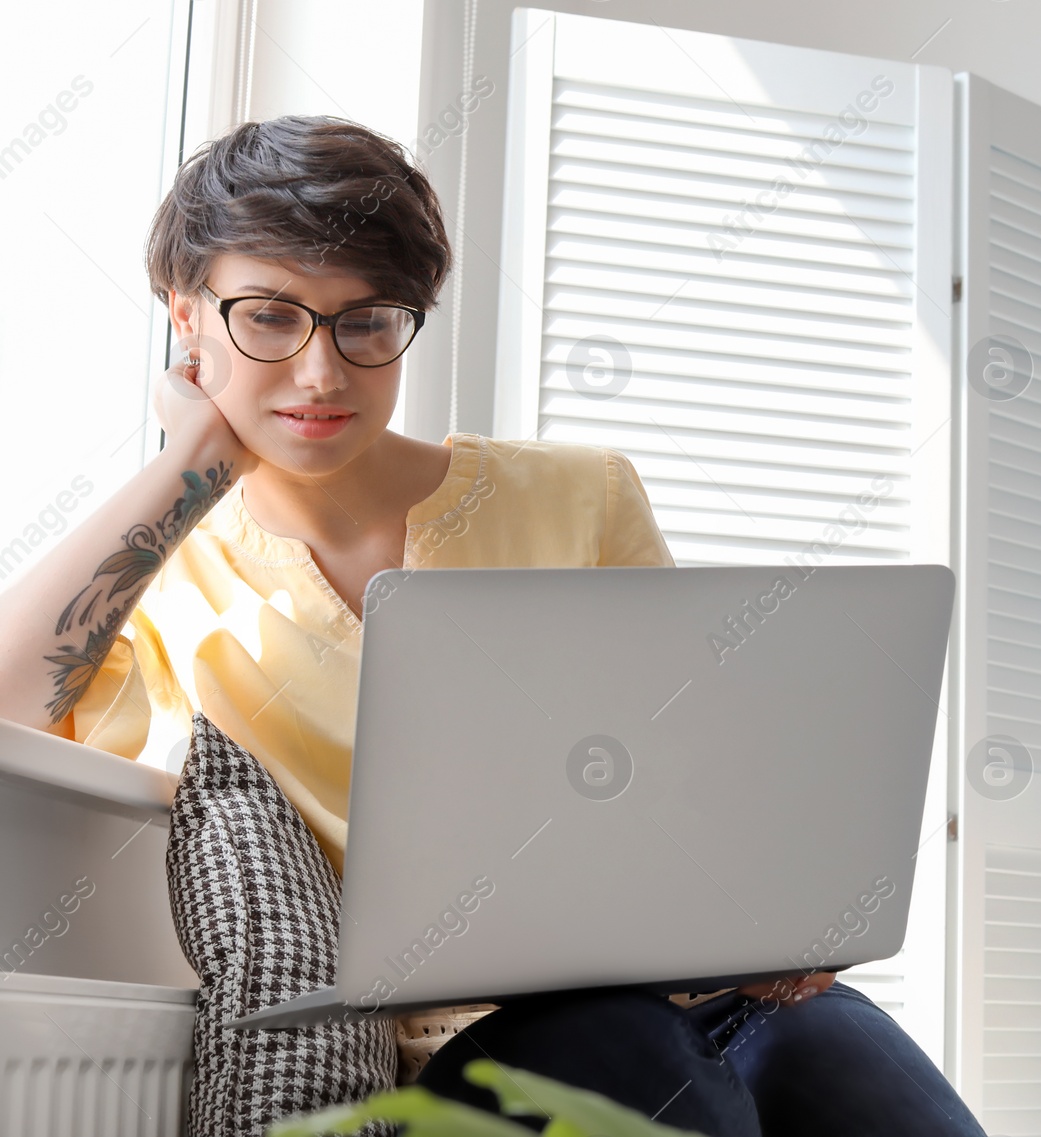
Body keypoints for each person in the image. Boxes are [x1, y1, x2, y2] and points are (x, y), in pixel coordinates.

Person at [0, 114, 984, 1136]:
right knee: (633, 1065)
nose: (321, 374)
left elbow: (693, 766)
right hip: (472, 1041)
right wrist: (188, 467)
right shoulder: (166, 566)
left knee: (857, 1069)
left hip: (703, 990)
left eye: (367, 320)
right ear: (185, 316)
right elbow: (6, 712)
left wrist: (774, 910)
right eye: (269, 318)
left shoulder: (580, 494)